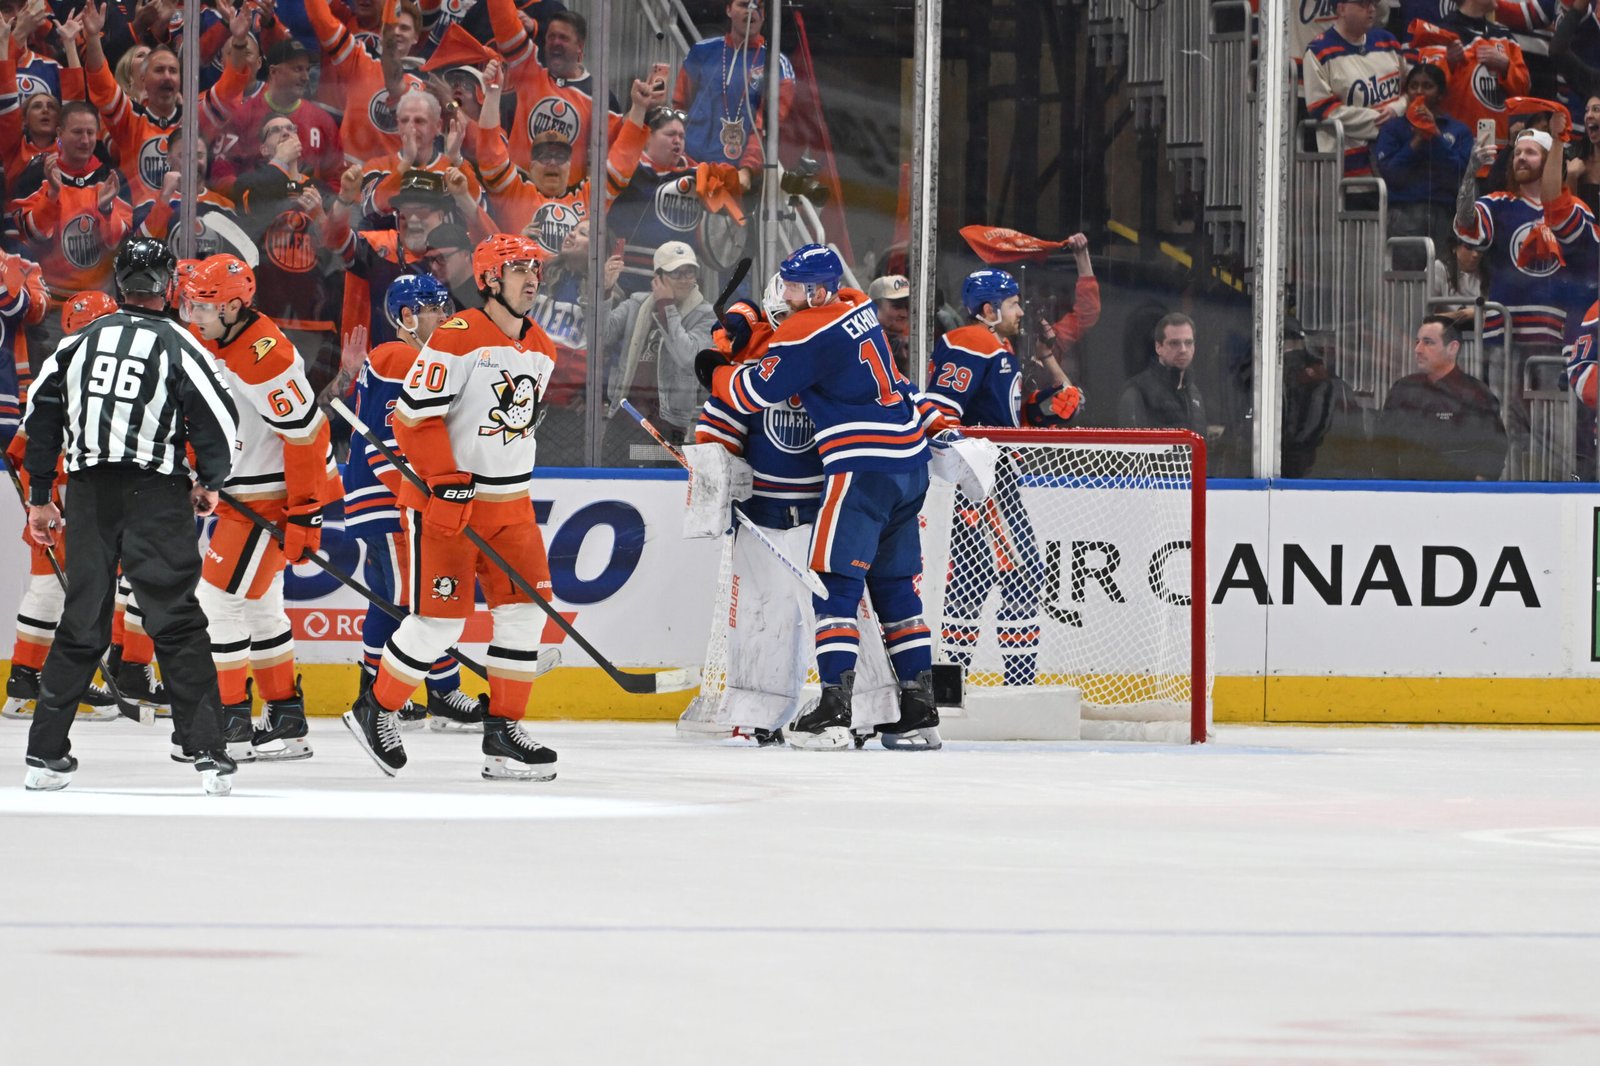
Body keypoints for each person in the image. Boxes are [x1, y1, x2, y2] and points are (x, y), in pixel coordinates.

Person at [697, 244, 940, 752]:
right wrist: (745, 321)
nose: (785, 294)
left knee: (834, 588)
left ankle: (834, 708)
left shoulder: (804, 331)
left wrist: (715, 366)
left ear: (815, 292)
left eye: (792, 286)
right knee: (896, 589)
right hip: (909, 464)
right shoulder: (856, 304)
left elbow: (747, 393)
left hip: (863, 468)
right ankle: (920, 711)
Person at [18, 238, 239, 794]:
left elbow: (39, 415)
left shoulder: (77, 344)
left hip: (89, 494)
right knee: (177, 621)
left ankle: (44, 755)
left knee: (81, 620)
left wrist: (41, 495)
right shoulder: (180, 344)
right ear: (169, 286)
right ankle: (207, 753)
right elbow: (218, 419)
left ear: (119, 283)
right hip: (155, 496)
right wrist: (210, 482)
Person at [343, 233, 560, 781]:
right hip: (450, 506)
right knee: (439, 623)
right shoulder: (457, 336)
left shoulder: (543, 347)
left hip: (513, 506)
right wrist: (445, 479)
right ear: (488, 280)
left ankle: (503, 732)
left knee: (525, 614)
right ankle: (376, 708)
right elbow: (411, 418)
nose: (531, 277)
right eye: (518, 268)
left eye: (534, 268)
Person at [184, 253, 342, 763]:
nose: (193, 314)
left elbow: (307, 435)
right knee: (259, 607)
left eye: (202, 306)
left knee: (216, 602)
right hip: (248, 490)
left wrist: (305, 513)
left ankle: (229, 722)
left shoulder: (264, 356)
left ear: (233, 307)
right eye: (191, 304)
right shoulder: (217, 338)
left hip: (272, 496)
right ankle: (286, 721)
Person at [920, 268, 1082, 686]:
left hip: (992, 475)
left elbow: (1002, 417)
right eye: (1012, 304)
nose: (1021, 312)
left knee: (972, 580)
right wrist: (964, 474)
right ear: (989, 310)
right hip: (981, 480)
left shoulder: (997, 346)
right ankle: (1015, 683)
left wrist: (1042, 405)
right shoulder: (970, 341)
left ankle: (951, 682)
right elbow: (941, 410)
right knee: (1020, 572)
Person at [341, 274, 485, 731]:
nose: (444, 316)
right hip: (390, 502)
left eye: (445, 308)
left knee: (389, 603)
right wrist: (422, 501)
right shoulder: (401, 358)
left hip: (374, 501)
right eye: (434, 309)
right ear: (406, 316)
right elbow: (387, 445)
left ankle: (374, 690)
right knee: (421, 607)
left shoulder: (394, 357)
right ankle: (442, 692)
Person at [1455, 121, 1598, 469]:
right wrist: (1470, 174)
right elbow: (1467, 223)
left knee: (1554, 425)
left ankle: (1557, 486)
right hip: (1503, 334)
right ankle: (1509, 485)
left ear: (1549, 160)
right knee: (1507, 421)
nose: (1521, 158)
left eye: (1531, 152)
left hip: (1554, 336)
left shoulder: (1573, 210)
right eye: (1517, 152)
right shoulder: (1498, 204)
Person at [10, 100, 133, 370]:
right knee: (49, 386)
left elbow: (116, 242)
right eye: (77, 132)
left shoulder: (110, 177)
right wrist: (53, 195)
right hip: (51, 312)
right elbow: (33, 235)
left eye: (90, 132)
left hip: (101, 308)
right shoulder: (35, 176)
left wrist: (106, 209)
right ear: (60, 133)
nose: (85, 140)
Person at [601, 240, 717, 461]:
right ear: (658, 277)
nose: (685, 279)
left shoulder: (706, 315)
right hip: (624, 416)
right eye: (676, 273)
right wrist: (605, 291)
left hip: (668, 423)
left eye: (690, 272)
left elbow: (688, 357)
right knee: (613, 474)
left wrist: (666, 307)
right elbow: (601, 336)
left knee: (661, 478)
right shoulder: (637, 303)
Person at [674, 0, 795, 184]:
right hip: (689, 166)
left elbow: (767, 129)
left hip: (736, 176)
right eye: (744, 4)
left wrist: (746, 171)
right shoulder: (701, 51)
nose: (751, 10)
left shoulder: (776, 64)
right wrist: (677, 155)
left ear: (765, 16)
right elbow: (679, 106)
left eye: (759, 6)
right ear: (729, 10)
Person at [1374, 315, 1508, 479]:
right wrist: (1389, 488)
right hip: (1409, 491)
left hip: (1457, 491)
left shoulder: (1476, 394)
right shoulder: (1403, 389)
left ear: (1452, 348)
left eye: (1428, 342)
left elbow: (1493, 451)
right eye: (1417, 342)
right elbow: (1382, 447)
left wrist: (1476, 487)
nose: (1418, 349)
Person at [1373, 63, 1474, 262]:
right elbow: (1391, 173)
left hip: (1446, 215)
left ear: (1440, 94)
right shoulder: (1392, 128)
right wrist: (1417, 139)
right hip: (1404, 215)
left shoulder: (1459, 130)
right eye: (1413, 86)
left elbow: (1459, 173)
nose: (1419, 91)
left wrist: (1434, 134)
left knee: (1444, 276)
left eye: (1427, 86)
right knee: (1405, 276)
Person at [1303, 0, 1407, 177]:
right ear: (1341, 8)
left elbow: (1410, 90)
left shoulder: (1387, 41)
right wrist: (1383, 122)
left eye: (1373, 3)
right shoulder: (1318, 51)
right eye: (1363, 4)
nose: (1371, 9)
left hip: (1397, 161)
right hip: (1349, 169)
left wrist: (1396, 109)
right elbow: (1323, 109)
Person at [1118, 312, 1209, 434]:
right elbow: (1133, 444)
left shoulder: (1194, 392)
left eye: (1188, 342)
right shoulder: (1138, 392)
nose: (1183, 349)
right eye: (1174, 343)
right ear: (1158, 347)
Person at [868, 274, 911, 376]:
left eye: (908, 306)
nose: (904, 314)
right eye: (897, 306)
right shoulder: (865, 340)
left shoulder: (915, 337)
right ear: (875, 306)